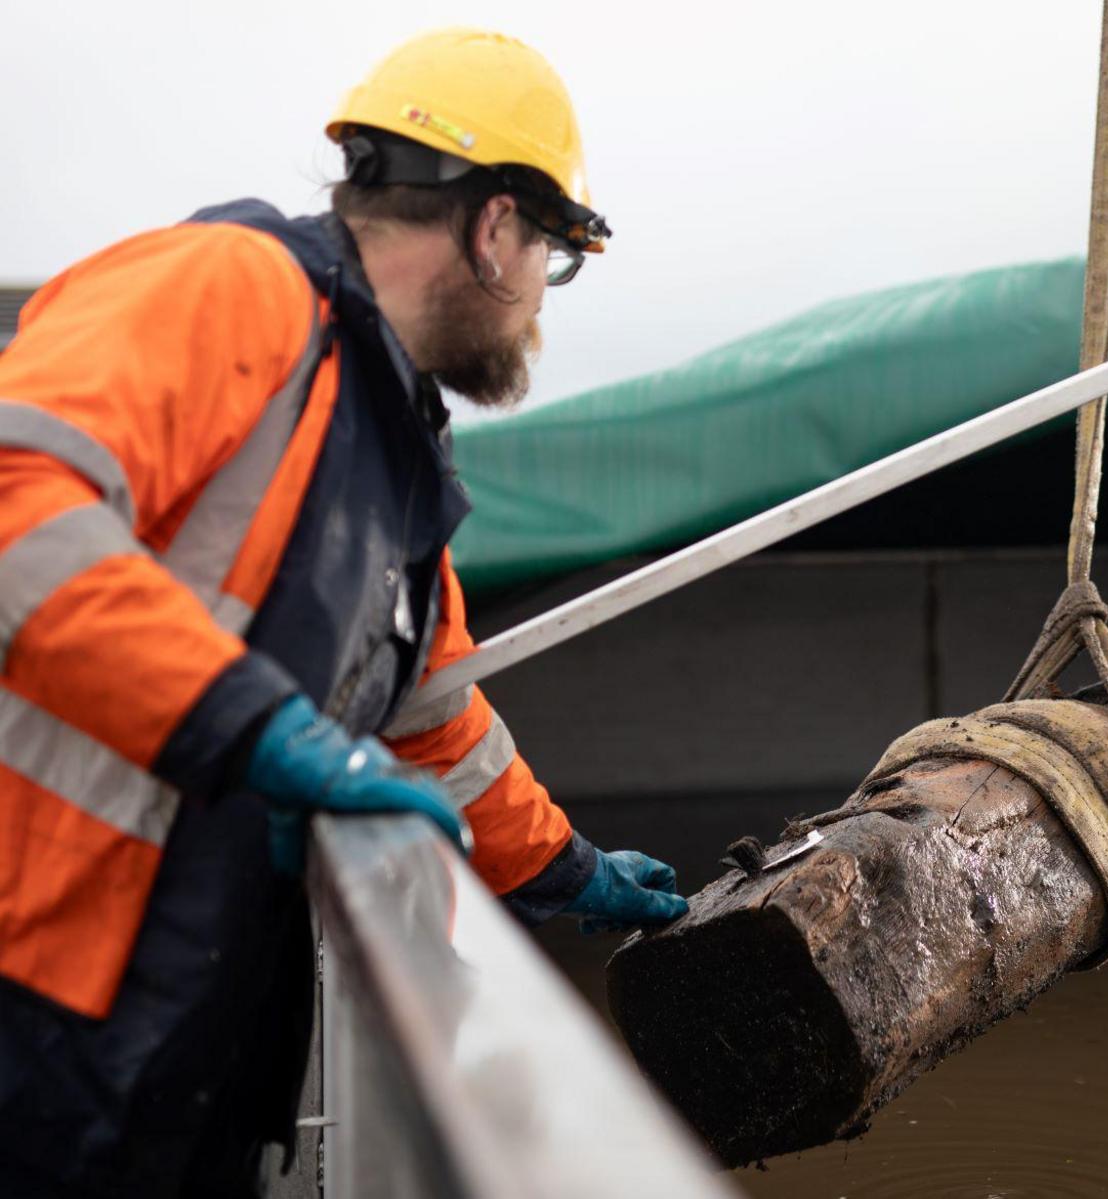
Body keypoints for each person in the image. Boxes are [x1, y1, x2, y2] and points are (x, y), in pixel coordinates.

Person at [0, 28, 686, 1197]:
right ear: (495, 227)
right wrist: (254, 721)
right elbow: (18, 495)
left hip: (189, 1028)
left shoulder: (397, 448)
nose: (537, 307)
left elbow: (434, 725)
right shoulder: (231, 286)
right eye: (554, 256)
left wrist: (562, 867)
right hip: (37, 989)